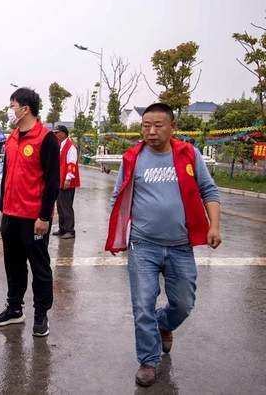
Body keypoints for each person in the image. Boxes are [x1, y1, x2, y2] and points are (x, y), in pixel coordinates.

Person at [105, 103, 221, 387]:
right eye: (146, 126)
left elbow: (208, 190)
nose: (151, 131)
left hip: (180, 245)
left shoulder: (188, 154)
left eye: (158, 125)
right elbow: (118, 197)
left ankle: (164, 323)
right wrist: (120, 233)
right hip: (143, 245)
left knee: (184, 303)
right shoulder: (133, 158)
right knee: (142, 305)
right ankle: (148, 360)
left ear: (172, 127)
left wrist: (214, 225)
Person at [0, 88, 60, 337]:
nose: (10, 111)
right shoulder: (11, 138)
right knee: (13, 265)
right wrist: (2, 208)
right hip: (11, 214)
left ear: (25, 109)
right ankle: (14, 309)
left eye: (12, 106)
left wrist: (44, 216)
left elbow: (53, 181)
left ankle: (41, 314)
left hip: (34, 218)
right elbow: (6, 177)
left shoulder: (46, 138)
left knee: (40, 267)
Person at [52, 125, 80, 239]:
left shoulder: (70, 147)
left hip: (67, 181)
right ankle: (62, 228)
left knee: (66, 206)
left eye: (57, 132)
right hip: (60, 180)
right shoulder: (60, 145)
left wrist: (68, 179)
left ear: (63, 134)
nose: (55, 135)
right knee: (60, 206)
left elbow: (72, 164)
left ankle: (70, 230)